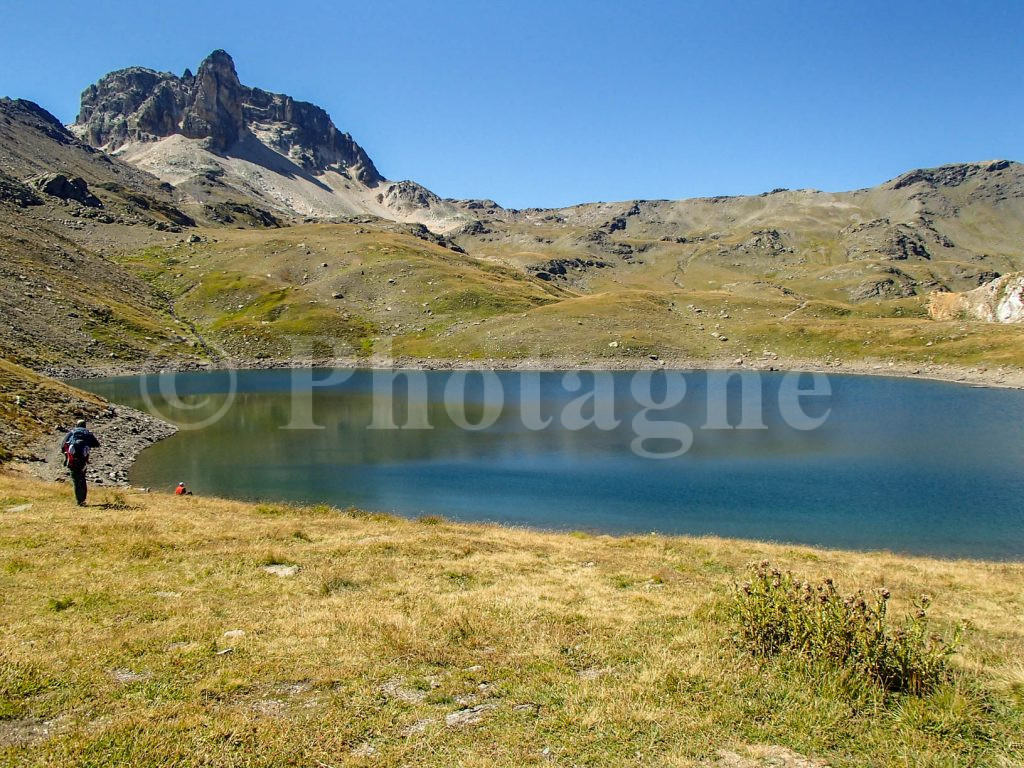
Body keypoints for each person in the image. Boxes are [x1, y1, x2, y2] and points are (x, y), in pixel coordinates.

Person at [60, 419, 100, 506]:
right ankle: (82, 499)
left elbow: (63, 445)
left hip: (72, 460)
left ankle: (79, 500)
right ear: (85, 425)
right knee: (82, 479)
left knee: (76, 480)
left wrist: (66, 455)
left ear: (77, 425)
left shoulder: (72, 432)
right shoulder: (88, 433)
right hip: (83, 460)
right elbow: (97, 444)